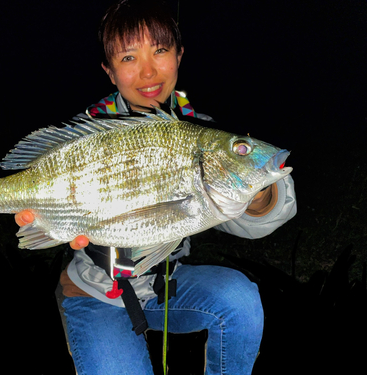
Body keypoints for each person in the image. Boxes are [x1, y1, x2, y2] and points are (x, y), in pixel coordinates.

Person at [16, 1, 297, 374]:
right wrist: (42, 221)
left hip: (167, 285)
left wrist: (260, 192)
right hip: (95, 291)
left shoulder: (200, 133)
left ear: (180, 55)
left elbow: (251, 217)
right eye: (128, 57)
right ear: (109, 71)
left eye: (160, 50)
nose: (148, 71)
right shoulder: (87, 135)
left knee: (240, 301)